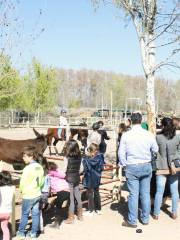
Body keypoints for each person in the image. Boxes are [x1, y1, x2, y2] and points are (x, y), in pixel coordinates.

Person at [118, 112, 158, 228]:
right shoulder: (148, 134)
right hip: (146, 165)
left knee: (133, 195)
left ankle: (132, 221)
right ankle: (145, 219)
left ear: (131, 120)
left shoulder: (126, 135)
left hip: (132, 166)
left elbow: (121, 153)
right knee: (145, 194)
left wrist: (125, 164)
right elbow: (155, 149)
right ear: (141, 120)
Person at [153, 117, 180, 220]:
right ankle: (174, 213)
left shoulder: (158, 137)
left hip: (161, 166)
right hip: (174, 167)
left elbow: (154, 151)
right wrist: (174, 159)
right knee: (174, 191)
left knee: (159, 191)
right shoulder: (177, 137)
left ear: (163, 126)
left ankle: (156, 213)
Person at [16, 146, 44, 240]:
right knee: (35, 214)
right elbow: (41, 182)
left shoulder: (27, 169)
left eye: (25, 156)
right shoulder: (39, 167)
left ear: (31, 156)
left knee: (25, 214)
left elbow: (22, 183)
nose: (23, 158)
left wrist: (21, 191)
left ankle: (21, 233)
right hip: (37, 194)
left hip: (28, 195)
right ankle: (33, 234)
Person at [64, 139, 83, 224]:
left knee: (71, 198)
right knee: (78, 196)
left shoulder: (66, 157)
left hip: (69, 179)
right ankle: (80, 215)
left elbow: (64, 169)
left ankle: (71, 217)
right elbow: (82, 169)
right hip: (76, 177)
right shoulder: (80, 157)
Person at [82, 143, 104, 216]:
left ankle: (91, 210)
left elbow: (85, 168)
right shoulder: (100, 157)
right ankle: (98, 209)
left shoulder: (87, 160)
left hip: (89, 178)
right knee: (97, 192)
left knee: (90, 194)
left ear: (91, 151)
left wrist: (85, 159)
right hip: (97, 177)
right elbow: (101, 168)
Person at [48, 162, 70, 228]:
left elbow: (50, 183)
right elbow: (63, 175)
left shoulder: (51, 173)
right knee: (57, 202)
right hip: (67, 189)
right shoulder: (58, 172)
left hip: (62, 191)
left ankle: (57, 223)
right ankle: (57, 220)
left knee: (58, 206)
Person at [0, 171, 15, 240]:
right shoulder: (12, 188)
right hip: (7, 212)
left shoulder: (1, 189)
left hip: (0, 211)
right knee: (5, 228)